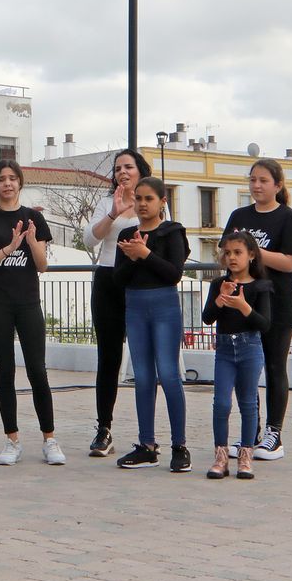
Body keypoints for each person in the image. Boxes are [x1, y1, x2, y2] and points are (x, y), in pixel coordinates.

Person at [0, 161, 62, 466]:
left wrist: (28, 241)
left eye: (13, 178)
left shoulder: (33, 218)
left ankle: (49, 439)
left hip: (28, 302)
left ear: (20, 182)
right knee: (5, 371)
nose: (7, 183)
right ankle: (11, 440)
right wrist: (8, 248)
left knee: (38, 370)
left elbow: (42, 265)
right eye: (2, 179)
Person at [221, 158, 292, 461]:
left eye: (264, 180)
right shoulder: (238, 215)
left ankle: (274, 433)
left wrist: (254, 252)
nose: (257, 186)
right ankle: (249, 433)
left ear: (277, 185)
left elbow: (289, 262)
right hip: (244, 302)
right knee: (248, 368)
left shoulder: (289, 217)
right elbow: (228, 252)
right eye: (253, 180)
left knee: (274, 366)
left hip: (277, 302)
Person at [113, 177, 192, 472]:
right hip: (135, 307)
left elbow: (173, 273)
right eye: (139, 198)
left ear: (162, 202)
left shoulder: (172, 232)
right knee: (143, 376)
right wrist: (132, 258)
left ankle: (179, 445)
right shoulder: (127, 233)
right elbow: (117, 279)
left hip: (164, 307)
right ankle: (147, 445)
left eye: (149, 199)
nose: (143, 204)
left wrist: (145, 254)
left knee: (169, 374)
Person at [80, 149, 152, 457]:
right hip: (107, 281)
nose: (122, 172)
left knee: (144, 358)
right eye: (118, 168)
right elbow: (89, 240)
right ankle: (104, 429)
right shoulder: (106, 202)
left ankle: (146, 434)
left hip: (139, 282)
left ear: (140, 171)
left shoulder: (152, 201)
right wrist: (113, 213)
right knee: (108, 358)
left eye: (128, 167)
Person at [201, 231, 273, 480]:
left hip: (249, 348)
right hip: (224, 349)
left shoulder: (260, 286)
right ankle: (221, 456)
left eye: (238, 252)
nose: (232, 257)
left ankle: (246, 455)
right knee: (221, 402)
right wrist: (221, 299)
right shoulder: (218, 284)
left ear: (251, 255)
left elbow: (264, 324)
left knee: (248, 403)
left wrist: (243, 306)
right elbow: (207, 317)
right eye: (228, 253)